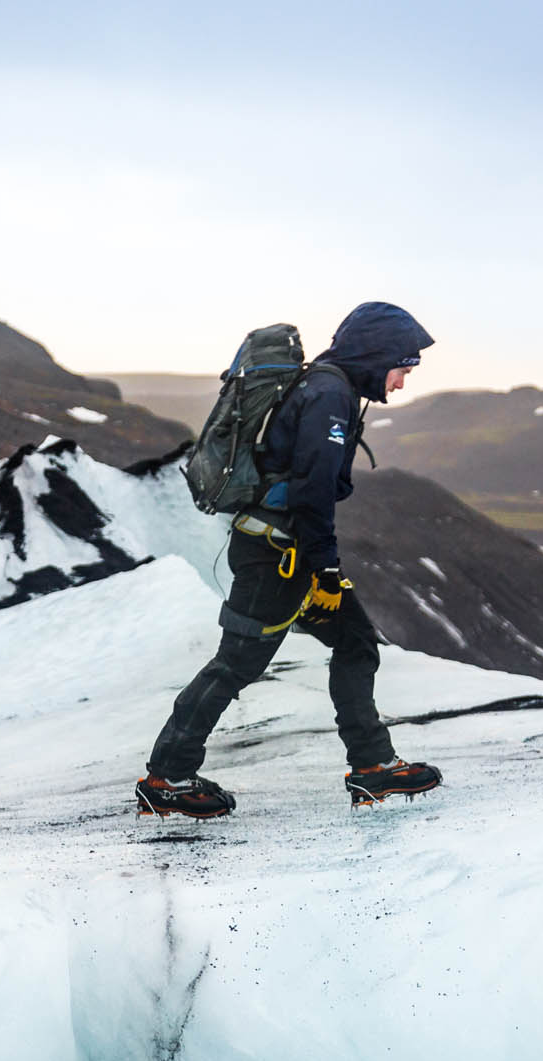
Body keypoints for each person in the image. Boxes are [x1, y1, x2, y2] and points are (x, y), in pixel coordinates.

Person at [137, 301, 443, 817]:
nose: (400, 382)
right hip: (276, 558)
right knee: (236, 664)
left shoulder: (327, 387)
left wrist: (322, 567)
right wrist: (326, 570)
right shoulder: (329, 396)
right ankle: (168, 777)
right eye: (402, 369)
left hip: (283, 551)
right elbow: (312, 490)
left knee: (356, 643)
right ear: (377, 355)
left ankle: (373, 766)